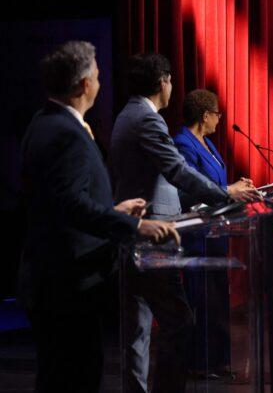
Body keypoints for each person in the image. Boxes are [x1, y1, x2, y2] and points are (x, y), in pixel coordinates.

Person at [18, 41, 180, 393]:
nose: (101, 82)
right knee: (74, 378)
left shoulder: (45, 122)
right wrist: (136, 224)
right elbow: (72, 205)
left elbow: (61, 200)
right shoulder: (65, 133)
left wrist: (112, 211)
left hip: (57, 280)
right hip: (68, 285)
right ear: (83, 85)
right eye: (97, 75)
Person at [110, 53, 259, 393]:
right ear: (162, 82)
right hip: (153, 233)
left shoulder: (125, 115)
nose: (172, 87)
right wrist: (226, 192)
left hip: (132, 231)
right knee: (179, 322)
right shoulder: (148, 120)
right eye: (171, 81)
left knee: (139, 328)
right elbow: (177, 171)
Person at [173, 89, 254, 378]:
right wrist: (227, 192)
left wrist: (235, 187)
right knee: (203, 299)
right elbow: (187, 190)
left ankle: (218, 360)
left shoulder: (207, 143)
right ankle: (200, 362)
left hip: (216, 230)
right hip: (197, 232)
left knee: (217, 299)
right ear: (205, 115)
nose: (220, 119)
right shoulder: (183, 144)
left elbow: (214, 184)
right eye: (217, 114)